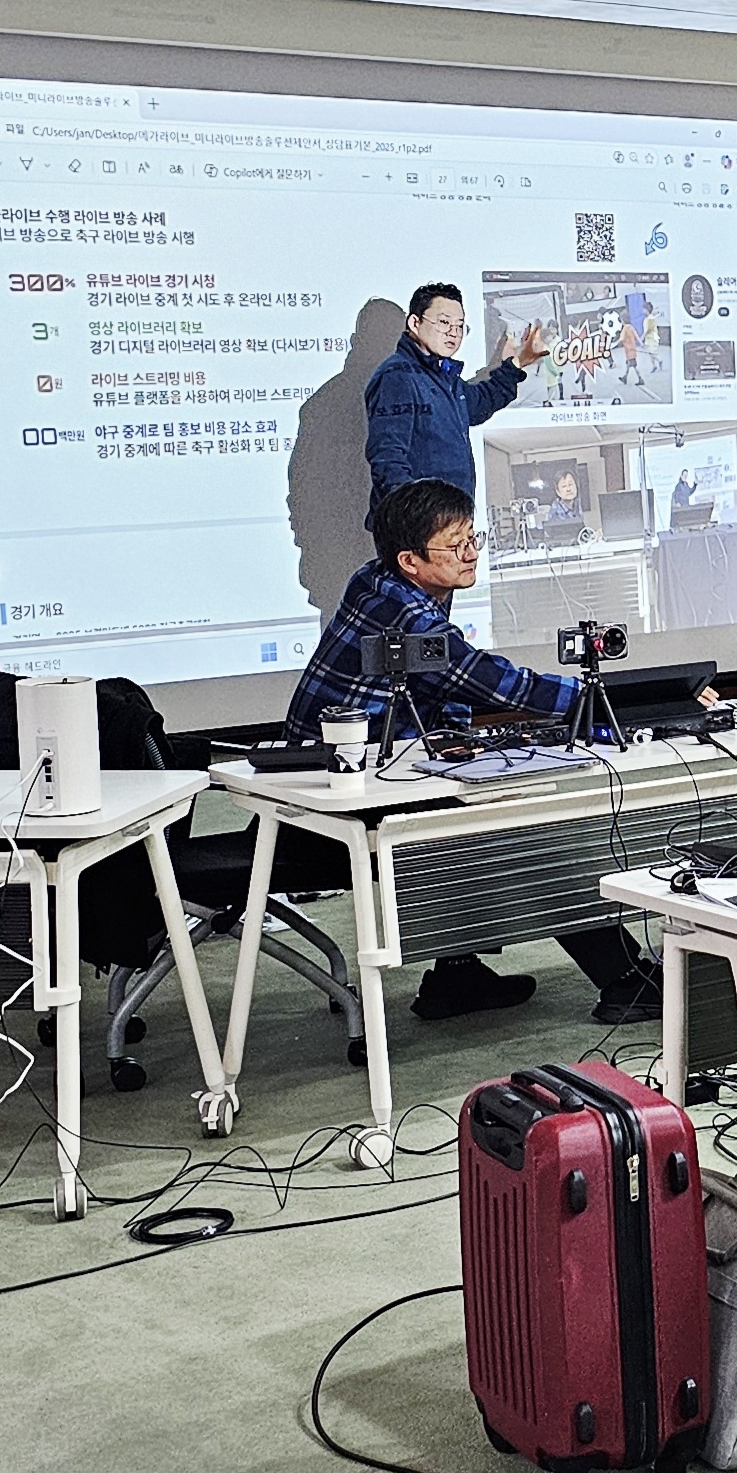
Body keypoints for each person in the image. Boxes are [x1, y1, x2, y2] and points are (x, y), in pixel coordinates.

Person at [283, 479, 661, 1023]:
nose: (471, 553)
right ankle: (624, 979)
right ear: (410, 560)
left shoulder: (379, 578)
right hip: (336, 799)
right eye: (455, 544)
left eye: (472, 538)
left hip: (355, 778)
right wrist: (618, 701)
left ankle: (456, 976)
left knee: (487, 811)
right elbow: (486, 681)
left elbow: (442, 692)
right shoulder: (404, 614)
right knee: (528, 833)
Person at [364, 284, 550, 510]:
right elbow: (387, 459)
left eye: (460, 325)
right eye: (444, 322)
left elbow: (479, 403)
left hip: (450, 518)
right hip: (422, 523)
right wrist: (419, 518)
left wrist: (518, 362)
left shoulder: (442, 376)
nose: (454, 332)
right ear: (414, 323)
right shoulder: (398, 376)